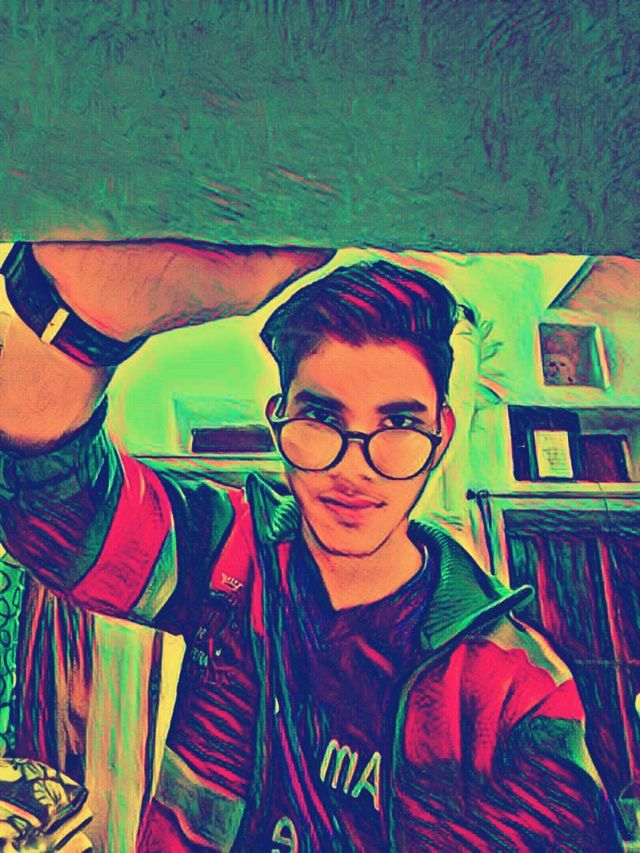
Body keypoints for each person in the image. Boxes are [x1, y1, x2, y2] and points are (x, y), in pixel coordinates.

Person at [0, 241, 622, 852]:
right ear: (278, 419)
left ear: (440, 434)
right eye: (322, 418)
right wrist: (86, 317)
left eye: (398, 423)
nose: (354, 468)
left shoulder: (512, 683)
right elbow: (57, 511)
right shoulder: (232, 556)